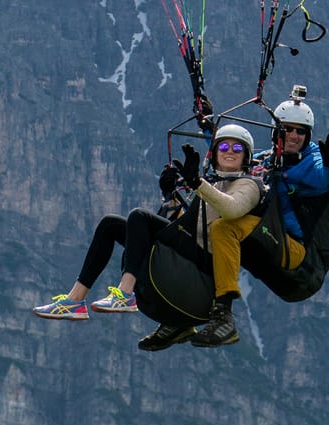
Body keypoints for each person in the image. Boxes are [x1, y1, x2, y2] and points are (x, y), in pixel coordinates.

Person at [33, 124, 265, 352]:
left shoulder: (250, 185)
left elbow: (232, 209)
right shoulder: (212, 184)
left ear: (246, 156)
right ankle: (75, 300)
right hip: (188, 253)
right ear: (214, 153)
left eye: (238, 148)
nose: (230, 151)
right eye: (224, 145)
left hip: (207, 266)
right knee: (110, 225)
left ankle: (125, 294)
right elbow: (182, 224)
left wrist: (197, 183)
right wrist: (170, 196)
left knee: (139, 217)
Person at [190, 91, 329, 347]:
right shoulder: (269, 160)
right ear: (276, 132)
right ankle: (187, 307)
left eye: (300, 131)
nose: (294, 136)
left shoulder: (310, 162)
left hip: (290, 246)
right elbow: (235, 157)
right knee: (208, 223)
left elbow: (326, 179)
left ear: (308, 136)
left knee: (224, 229)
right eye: (287, 129)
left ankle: (224, 317)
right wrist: (209, 126)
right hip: (265, 234)